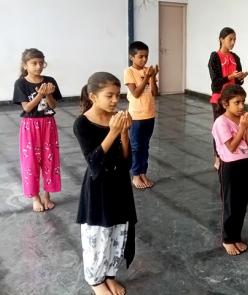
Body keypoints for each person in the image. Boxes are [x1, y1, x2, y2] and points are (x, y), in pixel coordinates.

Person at [73, 72, 137, 295]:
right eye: (109, 95)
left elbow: (127, 162)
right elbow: (94, 163)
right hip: (98, 189)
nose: (114, 100)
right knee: (98, 238)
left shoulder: (117, 118)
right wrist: (113, 132)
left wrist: (125, 134)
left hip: (119, 185)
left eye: (117, 95)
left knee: (117, 234)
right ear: (93, 96)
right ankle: (95, 280)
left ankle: (109, 275)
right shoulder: (82, 124)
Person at [12, 48, 62, 212]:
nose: (38, 66)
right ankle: (36, 197)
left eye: (41, 63)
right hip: (30, 126)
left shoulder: (49, 80)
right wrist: (40, 95)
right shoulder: (21, 83)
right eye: (34, 63)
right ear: (25, 65)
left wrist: (47, 95)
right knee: (31, 162)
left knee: (50, 160)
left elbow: (54, 105)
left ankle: (47, 196)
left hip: (48, 124)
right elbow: (27, 108)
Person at [212, 84, 248, 255]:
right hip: (229, 166)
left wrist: (247, 126)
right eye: (237, 102)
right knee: (230, 203)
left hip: (243, 164)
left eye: (243, 102)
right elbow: (231, 147)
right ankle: (227, 239)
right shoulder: (221, 122)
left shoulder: (244, 118)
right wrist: (243, 127)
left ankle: (236, 236)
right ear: (225, 104)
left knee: (241, 203)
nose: (241, 106)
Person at [208, 27, 248, 170]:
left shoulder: (235, 57)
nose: (233, 42)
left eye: (234, 39)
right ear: (221, 39)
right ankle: (218, 157)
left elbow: (237, 83)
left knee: (235, 126)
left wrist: (240, 78)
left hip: (234, 99)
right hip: (220, 98)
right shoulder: (215, 56)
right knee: (220, 128)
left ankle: (234, 151)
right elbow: (215, 82)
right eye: (230, 39)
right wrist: (230, 77)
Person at [124, 41, 159, 190]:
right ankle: (135, 174)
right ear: (132, 57)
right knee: (136, 147)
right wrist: (146, 77)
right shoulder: (129, 71)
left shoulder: (148, 70)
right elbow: (136, 93)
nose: (144, 60)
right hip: (137, 117)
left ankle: (143, 172)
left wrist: (152, 77)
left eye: (146, 56)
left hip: (149, 115)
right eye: (141, 56)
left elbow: (155, 93)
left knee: (145, 146)